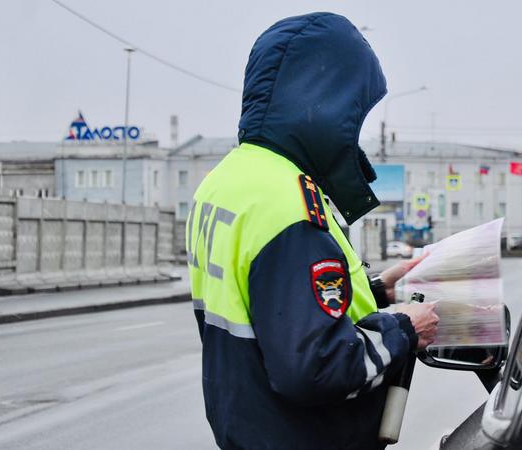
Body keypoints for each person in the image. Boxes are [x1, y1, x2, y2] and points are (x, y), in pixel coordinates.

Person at [185, 12, 440, 450]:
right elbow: (314, 368)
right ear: (326, 102)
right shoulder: (289, 202)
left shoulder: (228, 180)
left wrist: (379, 289)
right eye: (354, 110)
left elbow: (272, 310)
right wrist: (405, 328)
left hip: (249, 430)